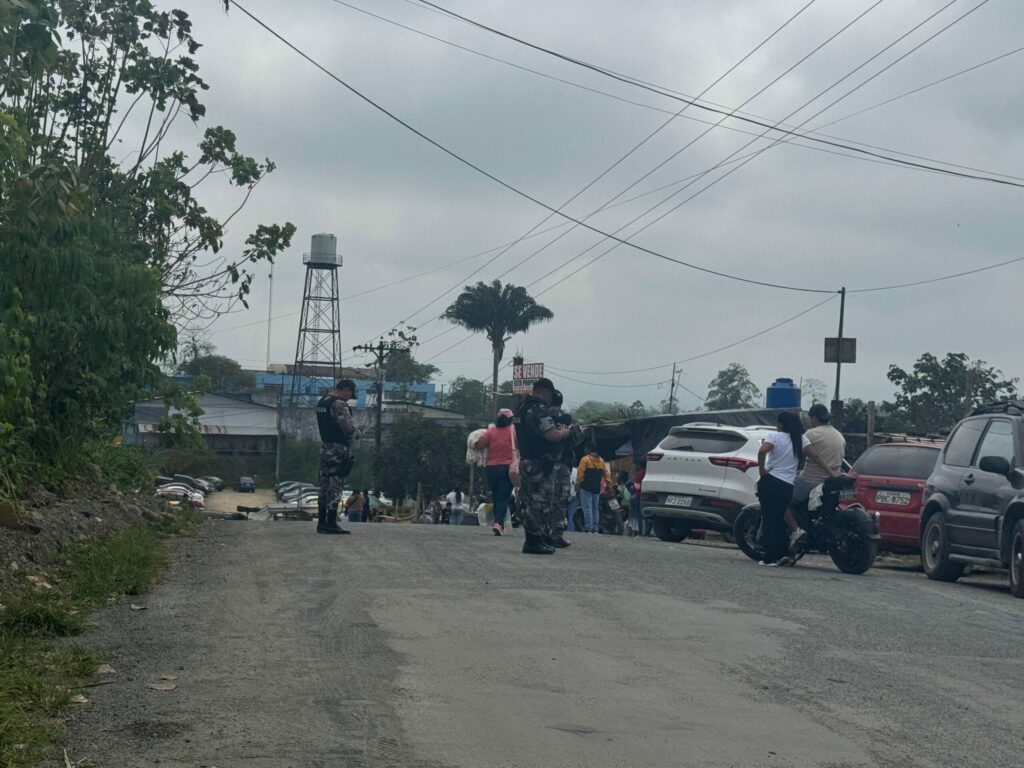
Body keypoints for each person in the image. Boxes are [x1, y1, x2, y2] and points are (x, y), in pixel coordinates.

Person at [516, 377, 573, 554]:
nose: (550, 401)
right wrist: (565, 432)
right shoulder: (539, 408)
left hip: (526, 460)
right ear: (545, 392)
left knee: (529, 501)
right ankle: (534, 541)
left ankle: (535, 539)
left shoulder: (522, 408)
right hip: (540, 462)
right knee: (540, 502)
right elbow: (551, 435)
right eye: (549, 396)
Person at [787, 403, 847, 550]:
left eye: (810, 418)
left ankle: (796, 531)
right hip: (830, 482)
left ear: (813, 418)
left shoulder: (811, 434)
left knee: (781, 499)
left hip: (811, 481)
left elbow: (796, 455)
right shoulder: (839, 435)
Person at [756, 411, 810, 566]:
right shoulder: (802, 439)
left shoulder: (774, 436)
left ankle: (770, 557)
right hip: (787, 485)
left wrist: (761, 470)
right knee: (780, 519)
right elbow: (815, 456)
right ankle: (783, 554)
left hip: (771, 481)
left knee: (768, 519)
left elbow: (762, 451)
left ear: (781, 424)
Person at [315, 379, 359, 535]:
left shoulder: (323, 401)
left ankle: (321, 522)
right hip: (338, 448)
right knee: (336, 482)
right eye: (350, 394)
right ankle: (331, 522)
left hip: (325, 447)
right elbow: (347, 429)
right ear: (346, 389)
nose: (349, 397)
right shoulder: (339, 404)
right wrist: (357, 433)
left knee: (324, 483)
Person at [474, 408, 517, 536]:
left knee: (497, 496)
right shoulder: (513, 431)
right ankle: (498, 523)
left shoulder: (491, 431)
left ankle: (499, 523)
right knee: (503, 497)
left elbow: (479, 445)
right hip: (506, 468)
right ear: (510, 419)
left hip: (491, 469)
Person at [549, 389, 575, 547]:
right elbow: (576, 440)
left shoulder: (542, 417)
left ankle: (545, 533)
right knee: (559, 500)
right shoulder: (567, 419)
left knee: (547, 499)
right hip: (562, 464)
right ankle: (556, 534)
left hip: (547, 464)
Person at [576, 442, 611, 534]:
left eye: (585, 449)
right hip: (596, 488)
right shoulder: (601, 461)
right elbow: (606, 475)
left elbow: (580, 474)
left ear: (588, 450)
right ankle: (595, 528)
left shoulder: (585, 460)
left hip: (585, 487)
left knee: (587, 507)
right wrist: (609, 485)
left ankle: (588, 528)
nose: (584, 451)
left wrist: (578, 485)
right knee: (595, 508)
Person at [628, 459, 647, 537]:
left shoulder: (639, 474)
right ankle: (647, 532)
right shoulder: (649, 473)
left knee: (639, 514)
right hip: (648, 496)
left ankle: (640, 532)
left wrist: (634, 490)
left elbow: (636, 486)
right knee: (646, 515)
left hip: (639, 495)